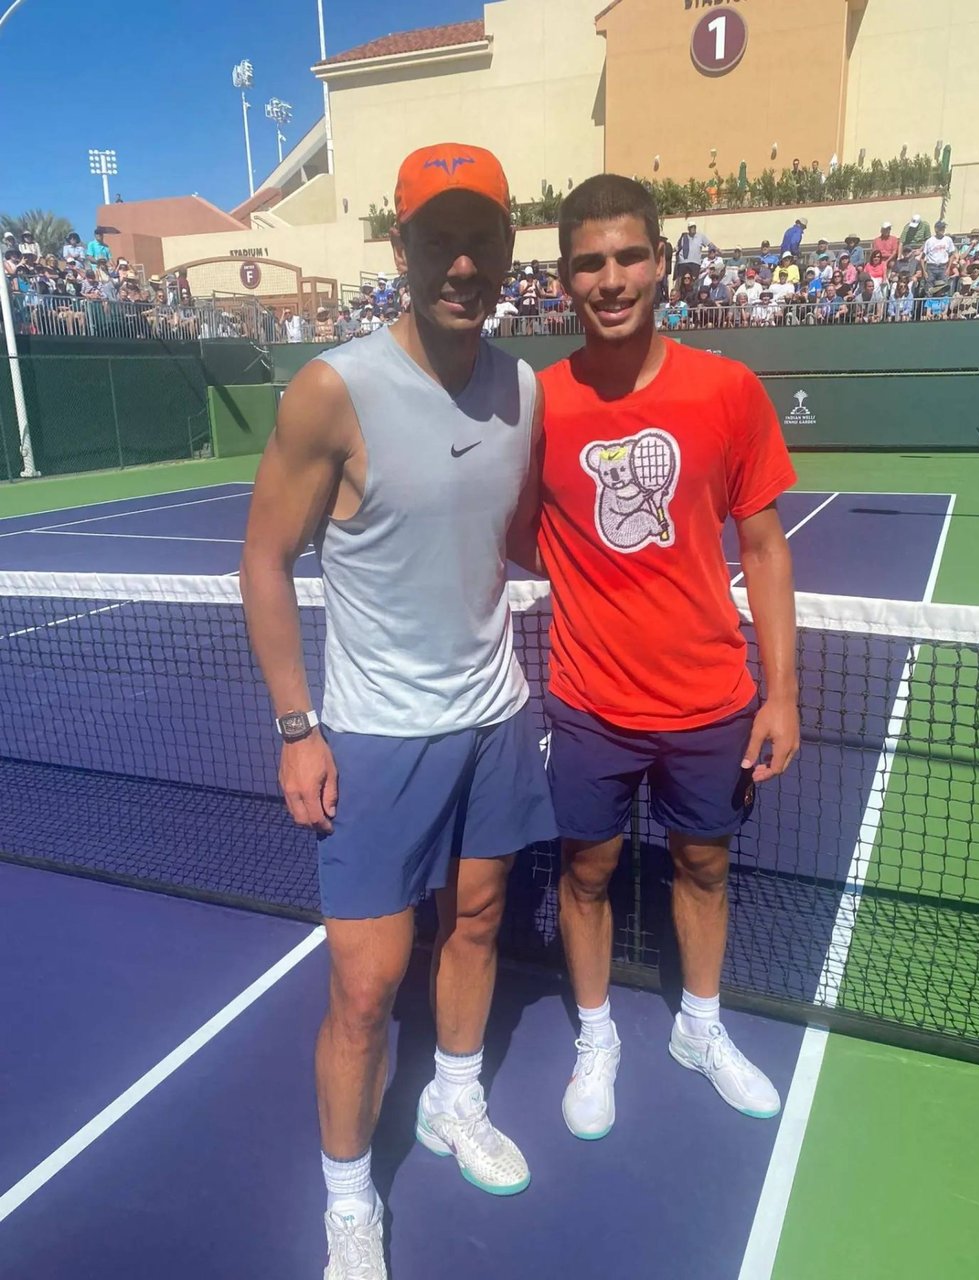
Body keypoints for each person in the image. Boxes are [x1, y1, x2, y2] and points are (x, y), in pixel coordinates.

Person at [240, 142, 556, 1280]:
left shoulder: (523, 387)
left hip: (494, 718)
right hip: (374, 737)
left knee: (475, 926)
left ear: (508, 250)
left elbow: (507, 534)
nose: (462, 262)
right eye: (439, 238)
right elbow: (265, 559)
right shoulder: (336, 386)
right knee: (367, 989)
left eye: (482, 239)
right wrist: (295, 723)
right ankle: (346, 1203)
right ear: (401, 248)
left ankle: (454, 1100)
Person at [526, 174, 799, 1143]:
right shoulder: (540, 404)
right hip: (589, 703)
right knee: (587, 870)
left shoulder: (727, 390)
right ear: (564, 279)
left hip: (710, 700)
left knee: (702, 864)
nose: (611, 278)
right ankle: (596, 1036)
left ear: (661, 264)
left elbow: (763, 547)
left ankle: (699, 1026)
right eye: (590, 262)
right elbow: (518, 536)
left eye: (628, 256)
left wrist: (782, 694)